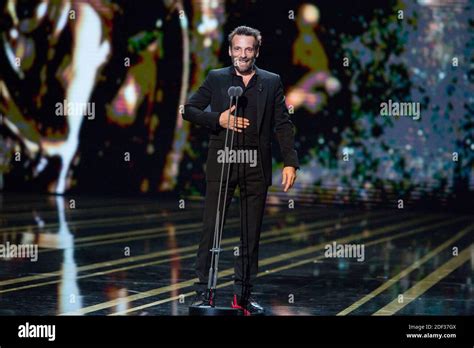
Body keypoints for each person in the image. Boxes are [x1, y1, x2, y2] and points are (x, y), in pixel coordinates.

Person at [183, 25, 299, 316]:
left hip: (255, 167)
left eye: (249, 49)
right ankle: (203, 293)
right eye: (238, 49)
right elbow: (189, 109)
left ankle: (242, 297)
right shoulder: (217, 78)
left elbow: (282, 124)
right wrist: (218, 119)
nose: (243, 54)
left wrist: (290, 161)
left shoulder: (271, 82)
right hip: (222, 162)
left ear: (256, 51)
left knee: (251, 234)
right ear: (230, 50)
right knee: (211, 229)